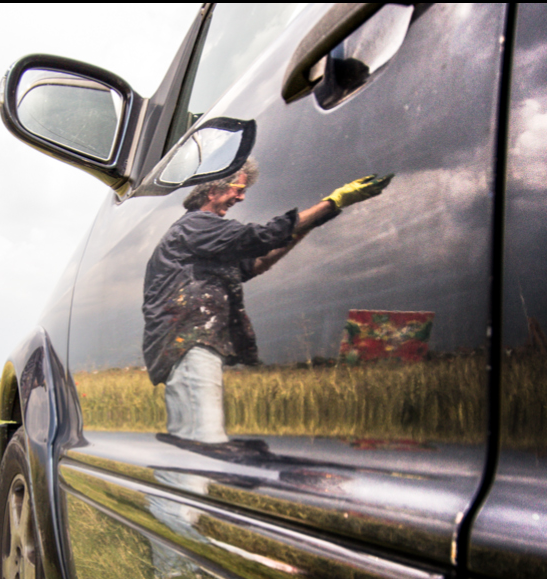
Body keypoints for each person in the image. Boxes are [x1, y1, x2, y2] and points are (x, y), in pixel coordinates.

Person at [141, 162, 391, 443]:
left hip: (189, 345)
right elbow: (262, 238)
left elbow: (257, 262)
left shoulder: (204, 240)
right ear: (212, 190)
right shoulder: (196, 226)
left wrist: (303, 228)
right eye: (239, 189)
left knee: (191, 444)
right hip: (189, 345)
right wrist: (332, 203)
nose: (242, 197)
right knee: (204, 441)